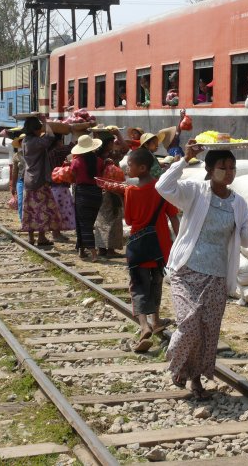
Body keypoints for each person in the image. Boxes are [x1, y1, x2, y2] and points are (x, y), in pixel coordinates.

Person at [156, 143, 248, 398]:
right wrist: (184, 160)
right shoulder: (195, 191)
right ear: (208, 169)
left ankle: (196, 381)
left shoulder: (238, 203)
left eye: (232, 167)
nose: (228, 172)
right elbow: (163, 187)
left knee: (208, 331)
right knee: (189, 324)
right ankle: (177, 363)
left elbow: (245, 240)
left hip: (217, 275)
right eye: (222, 167)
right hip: (187, 270)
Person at [125, 148, 179, 352]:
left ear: (142, 167)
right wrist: (179, 242)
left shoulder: (130, 190)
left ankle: (144, 325)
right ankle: (155, 320)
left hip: (138, 246)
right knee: (156, 282)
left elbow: (129, 219)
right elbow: (173, 216)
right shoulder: (161, 189)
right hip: (160, 245)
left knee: (138, 285)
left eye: (129, 165)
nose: (127, 167)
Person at [21, 116, 62, 246]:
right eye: (39, 129)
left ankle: (31, 237)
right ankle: (42, 237)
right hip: (39, 180)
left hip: (28, 179)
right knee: (42, 209)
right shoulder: (36, 142)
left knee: (30, 209)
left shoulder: (24, 141)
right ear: (34, 130)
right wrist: (46, 122)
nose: (41, 131)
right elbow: (50, 136)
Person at [93, 128, 129, 258]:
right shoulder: (112, 155)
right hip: (112, 190)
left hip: (98, 189)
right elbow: (126, 149)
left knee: (101, 219)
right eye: (111, 142)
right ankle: (110, 250)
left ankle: (102, 248)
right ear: (107, 144)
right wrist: (118, 133)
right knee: (114, 217)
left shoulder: (95, 155)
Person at [70, 134, 104, 261]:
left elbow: (72, 176)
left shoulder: (76, 162)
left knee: (84, 224)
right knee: (88, 222)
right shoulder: (99, 161)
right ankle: (81, 249)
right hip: (96, 193)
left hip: (82, 193)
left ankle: (93, 253)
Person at [48, 133, 76, 241]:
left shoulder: (48, 151)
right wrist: (75, 135)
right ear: (58, 142)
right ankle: (56, 234)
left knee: (57, 210)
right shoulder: (56, 151)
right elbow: (70, 148)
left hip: (54, 185)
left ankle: (57, 233)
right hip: (59, 185)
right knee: (58, 210)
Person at [10, 135, 26, 222]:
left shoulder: (34, 154)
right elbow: (14, 172)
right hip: (20, 180)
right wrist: (13, 186)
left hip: (32, 181)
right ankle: (22, 221)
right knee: (20, 201)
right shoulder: (16, 156)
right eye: (22, 141)